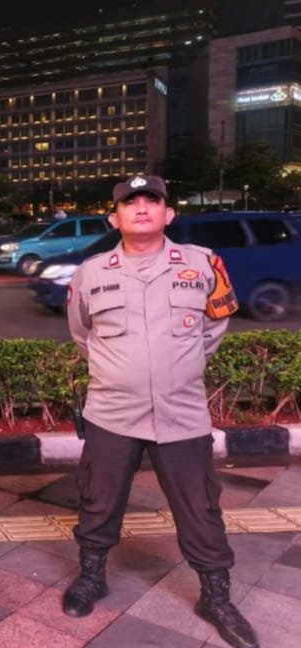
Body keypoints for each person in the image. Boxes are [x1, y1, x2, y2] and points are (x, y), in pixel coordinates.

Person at [63, 175, 257, 648]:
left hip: (182, 413)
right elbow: (82, 334)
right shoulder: (91, 272)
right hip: (112, 412)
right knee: (98, 499)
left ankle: (216, 596)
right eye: (130, 203)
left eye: (152, 200)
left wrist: (178, 367)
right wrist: (122, 371)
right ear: (114, 219)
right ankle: (91, 577)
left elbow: (214, 326)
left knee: (200, 506)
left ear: (169, 214)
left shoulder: (203, 263)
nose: (142, 208)